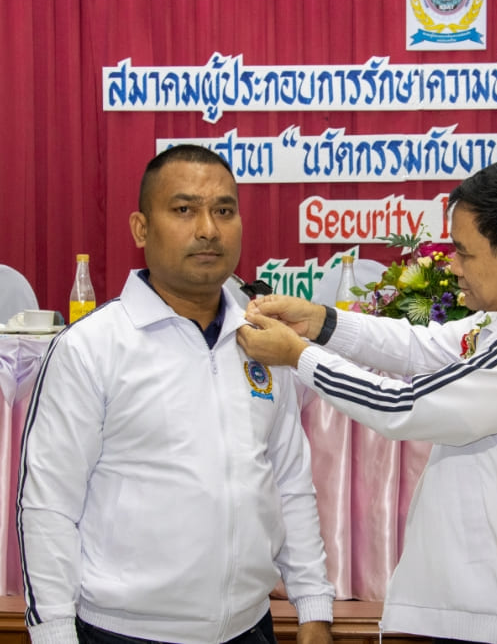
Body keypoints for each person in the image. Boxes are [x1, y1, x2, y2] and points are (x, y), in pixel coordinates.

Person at [237, 157, 497, 644]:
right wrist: (320, 322)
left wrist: (298, 355)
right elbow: (422, 346)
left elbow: (401, 406)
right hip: (492, 611)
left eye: (464, 252)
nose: (453, 265)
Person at [17, 145, 335, 644]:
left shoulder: (263, 342)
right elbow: (47, 506)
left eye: (224, 211)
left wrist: (313, 606)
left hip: (249, 628)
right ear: (141, 229)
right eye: (184, 210)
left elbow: (288, 480)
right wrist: (53, 634)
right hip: (125, 633)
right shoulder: (92, 347)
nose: (208, 229)